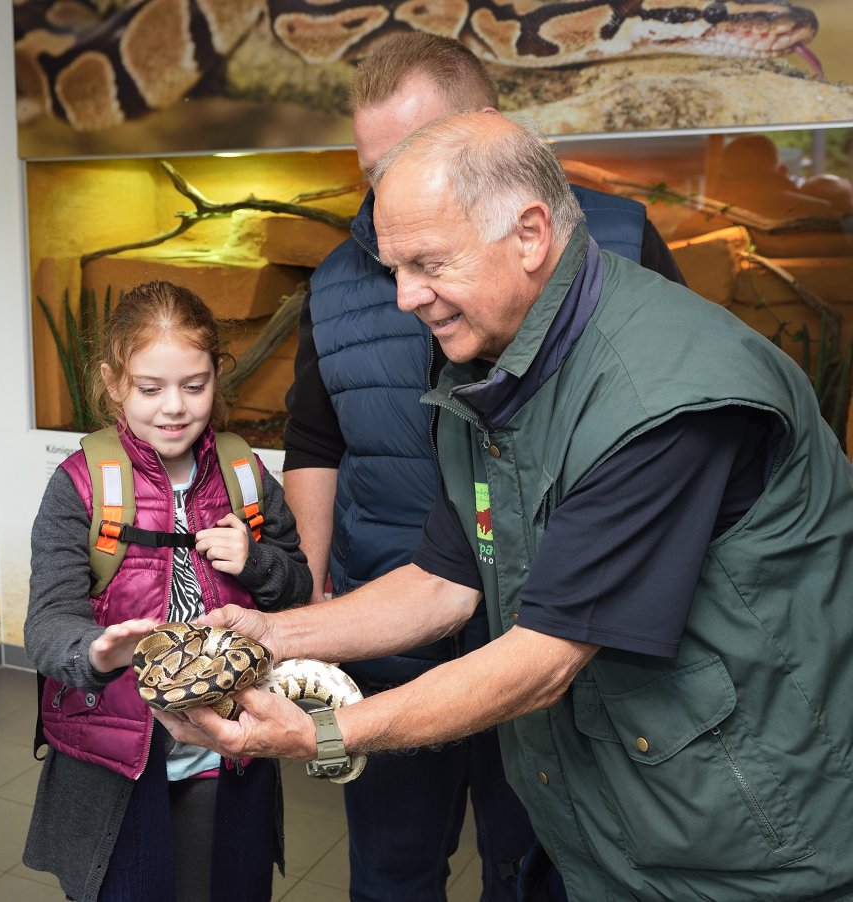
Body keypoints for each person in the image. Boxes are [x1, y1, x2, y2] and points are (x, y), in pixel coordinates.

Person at [158, 113, 853, 901]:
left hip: (747, 843)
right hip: (616, 820)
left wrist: (321, 733)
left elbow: (542, 661)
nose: (403, 297)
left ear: (528, 234)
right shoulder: (493, 367)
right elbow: (442, 580)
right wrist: (277, 633)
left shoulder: (659, 399)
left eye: (427, 264)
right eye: (393, 268)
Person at [282, 32, 684, 902]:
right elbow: (322, 448)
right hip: (391, 624)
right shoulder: (339, 284)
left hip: (556, 647)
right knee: (391, 872)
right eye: (372, 169)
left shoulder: (619, 261)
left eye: (412, 158)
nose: (408, 293)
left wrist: (313, 730)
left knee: (537, 867)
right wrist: (302, 605)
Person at [22, 280, 312, 902]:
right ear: (113, 382)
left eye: (194, 385)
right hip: (116, 760)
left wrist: (257, 562)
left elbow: (297, 588)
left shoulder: (245, 473)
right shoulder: (80, 485)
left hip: (228, 751)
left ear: (217, 375)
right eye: (151, 389)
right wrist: (94, 653)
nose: (174, 407)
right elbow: (47, 622)